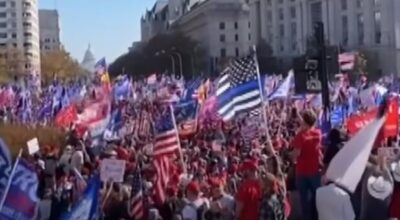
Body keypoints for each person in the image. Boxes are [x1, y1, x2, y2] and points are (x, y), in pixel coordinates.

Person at [291, 110, 322, 220]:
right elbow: (309, 127)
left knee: (304, 200)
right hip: (314, 171)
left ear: (304, 122)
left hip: (302, 172)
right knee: (317, 197)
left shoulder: (300, 136)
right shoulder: (318, 133)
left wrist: (291, 155)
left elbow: (296, 155)